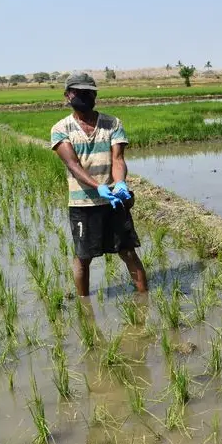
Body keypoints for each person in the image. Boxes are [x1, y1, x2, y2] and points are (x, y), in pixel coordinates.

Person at [49, 72, 148, 297]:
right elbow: (73, 165)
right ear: (67, 95)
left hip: (114, 201)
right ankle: (84, 304)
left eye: (89, 92)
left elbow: (118, 159)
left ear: (95, 95)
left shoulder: (112, 123)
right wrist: (98, 186)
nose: (85, 96)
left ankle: (145, 299)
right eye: (79, 92)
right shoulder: (61, 129)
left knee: (128, 252)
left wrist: (120, 183)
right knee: (83, 257)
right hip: (83, 204)